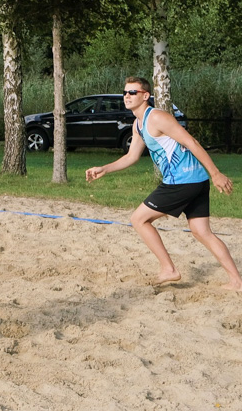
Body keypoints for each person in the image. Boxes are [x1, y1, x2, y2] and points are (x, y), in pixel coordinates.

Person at [86, 77, 242, 292]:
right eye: (125, 92)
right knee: (201, 231)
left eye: (132, 92)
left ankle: (168, 269)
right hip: (195, 180)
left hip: (182, 182)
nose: (127, 96)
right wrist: (105, 168)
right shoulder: (138, 124)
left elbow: (191, 142)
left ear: (145, 95)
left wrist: (216, 173)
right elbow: (132, 157)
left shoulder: (157, 117)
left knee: (139, 219)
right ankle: (237, 281)